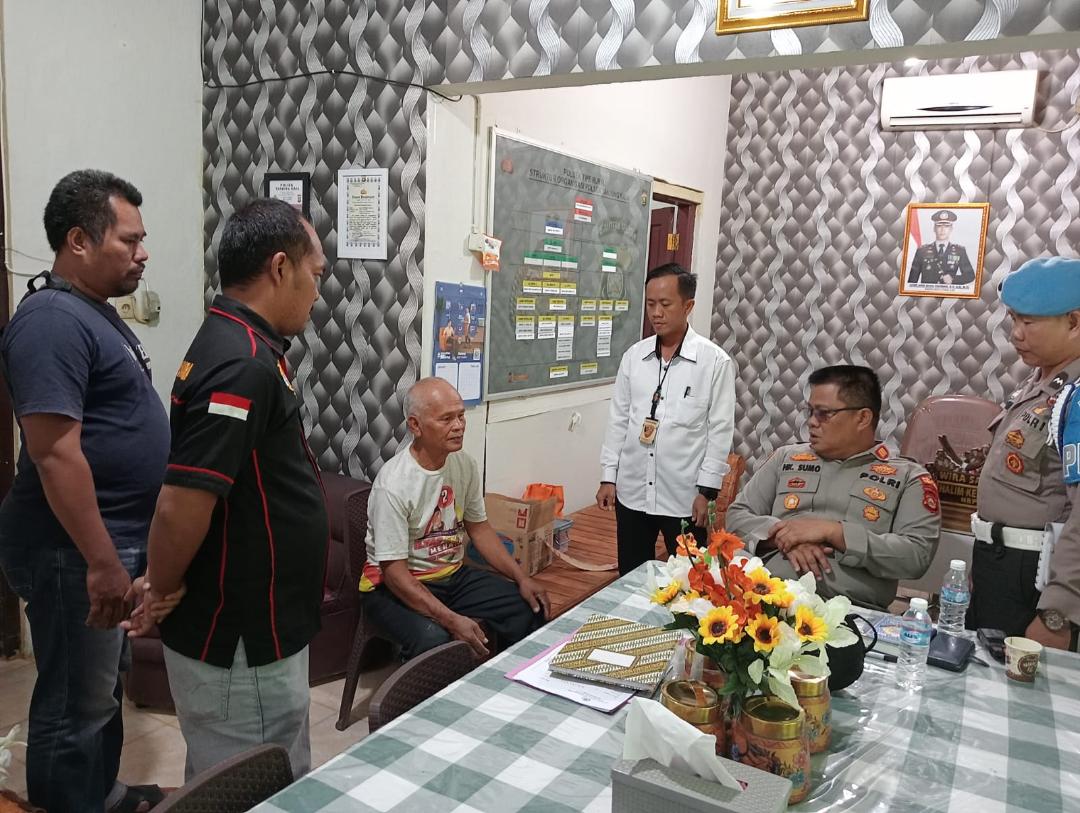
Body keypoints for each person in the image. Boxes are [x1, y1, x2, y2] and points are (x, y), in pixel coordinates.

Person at [128, 198, 329, 779]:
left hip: (260, 627)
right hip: (242, 634)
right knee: (248, 784)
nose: (317, 291)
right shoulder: (242, 363)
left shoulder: (239, 340)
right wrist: (160, 587)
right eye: (315, 274)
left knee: (262, 774)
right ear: (280, 267)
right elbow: (183, 501)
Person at [0, 170, 172, 813]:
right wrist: (102, 562)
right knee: (74, 698)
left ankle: (102, 794)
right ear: (78, 239)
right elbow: (53, 454)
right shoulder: (49, 321)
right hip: (70, 548)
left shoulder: (90, 312)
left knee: (102, 686)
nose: (143, 253)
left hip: (107, 542)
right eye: (129, 240)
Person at [360, 377, 549, 660]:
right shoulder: (394, 483)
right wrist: (450, 619)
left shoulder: (464, 465)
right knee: (433, 640)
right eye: (446, 419)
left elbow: (480, 529)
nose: (459, 425)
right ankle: (420, 703)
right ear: (415, 425)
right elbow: (394, 573)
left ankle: (510, 686)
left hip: (451, 576)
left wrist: (521, 577)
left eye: (461, 415)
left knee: (527, 606)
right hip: (392, 586)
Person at [726, 365, 941, 610]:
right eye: (810, 412)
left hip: (852, 613)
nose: (811, 423)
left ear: (862, 418)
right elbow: (736, 516)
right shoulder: (786, 458)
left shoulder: (908, 477)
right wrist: (786, 538)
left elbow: (916, 555)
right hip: (768, 602)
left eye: (823, 414)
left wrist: (835, 533)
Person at [596, 263, 736, 575]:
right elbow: (619, 418)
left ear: (688, 306)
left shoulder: (714, 362)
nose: (656, 313)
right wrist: (609, 476)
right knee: (631, 578)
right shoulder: (635, 357)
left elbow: (720, 430)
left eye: (665, 304)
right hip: (632, 492)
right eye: (650, 304)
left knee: (694, 583)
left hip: (684, 498)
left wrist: (706, 492)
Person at [970, 257, 1080, 649]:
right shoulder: (1043, 383)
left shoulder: (1076, 394)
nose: (1016, 334)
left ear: (1074, 321)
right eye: (1014, 320)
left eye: (1028, 323)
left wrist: (1057, 613)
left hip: (1036, 577)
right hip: (1000, 563)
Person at [906, 209, 976, 287]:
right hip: (927, 295)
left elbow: (970, 276)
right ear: (934, 228)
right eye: (939, 226)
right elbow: (912, 281)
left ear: (951, 229)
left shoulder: (960, 251)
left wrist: (953, 279)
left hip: (948, 296)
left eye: (946, 226)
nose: (942, 230)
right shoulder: (922, 251)